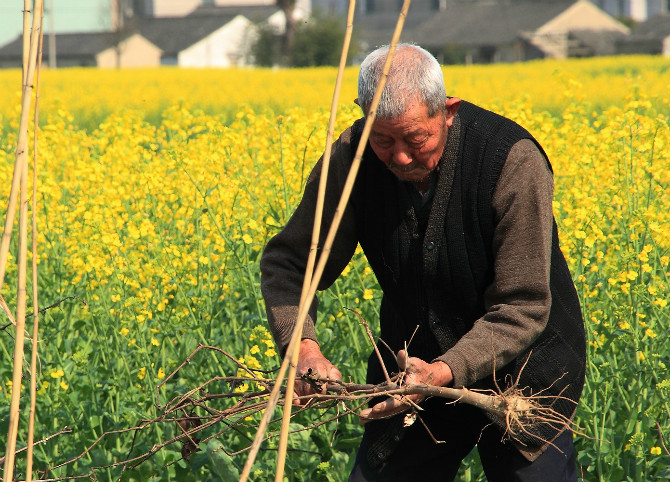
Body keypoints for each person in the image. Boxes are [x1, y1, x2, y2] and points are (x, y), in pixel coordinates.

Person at [260, 43, 586, 482]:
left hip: (523, 375)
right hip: (410, 377)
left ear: (448, 111)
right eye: (383, 140)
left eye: (416, 139)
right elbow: (291, 263)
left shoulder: (511, 161)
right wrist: (301, 345)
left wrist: (443, 371)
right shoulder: (351, 160)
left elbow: (522, 306)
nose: (399, 157)